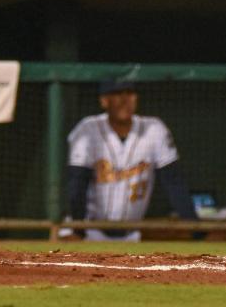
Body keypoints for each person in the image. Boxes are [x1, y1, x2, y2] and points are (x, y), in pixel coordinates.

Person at [64, 81, 197, 241]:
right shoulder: (87, 129)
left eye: (130, 93)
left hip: (132, 236)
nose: (125, 100)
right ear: (104, 101)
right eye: (118, 94)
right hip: (90, 230)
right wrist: (78, 228)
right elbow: (77, 183)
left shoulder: (154, 129)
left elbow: (174, 182)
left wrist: (196, 229)